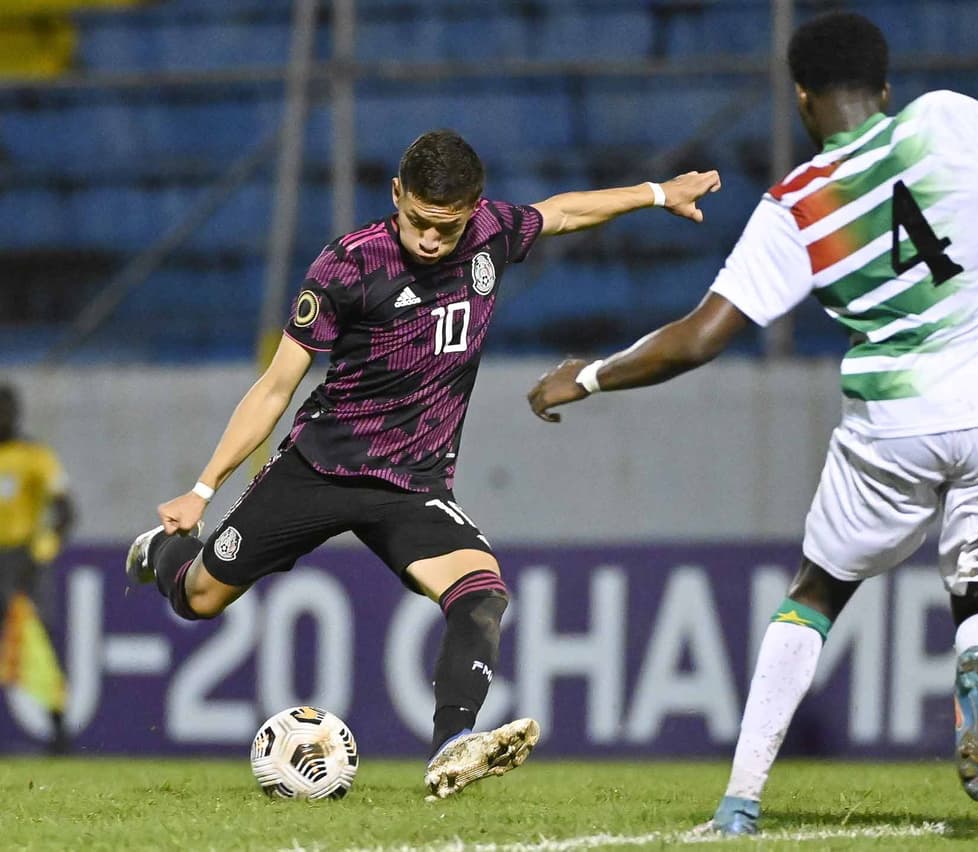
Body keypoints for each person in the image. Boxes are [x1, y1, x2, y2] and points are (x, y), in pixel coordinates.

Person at [527, 10, 978, 835]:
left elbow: (700, 338)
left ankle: (739, 805)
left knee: (815, 594)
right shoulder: (946, 121)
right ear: (884, 89)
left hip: (893, 427)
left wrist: (588, 376)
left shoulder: (796, 205)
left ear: (801, 98)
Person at [124, 129, 720, 798]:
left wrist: (658, 193)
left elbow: (562, 211)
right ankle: (162, 551)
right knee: (200, 598)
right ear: (396, 194)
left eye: (447, 226)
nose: (431, 240)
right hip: (320, 467)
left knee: (482, 593)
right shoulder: (349, 265)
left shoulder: (491, 234)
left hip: (412, 484)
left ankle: (451, 747)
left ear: (474, 209)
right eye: (418, 221)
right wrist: (202, 490)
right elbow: (275, 388)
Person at [0, 384, 76, 754]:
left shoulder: (35, 456)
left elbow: (66, 510)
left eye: (6, 410)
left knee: (39, 641)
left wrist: (44, 549)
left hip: (23, 562)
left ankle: (58, 728)